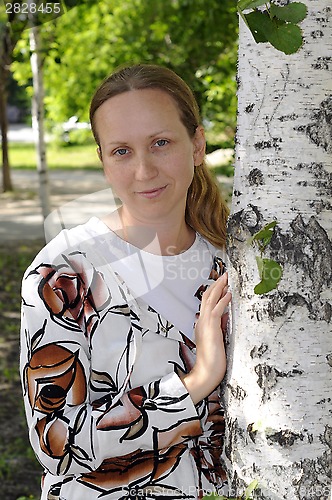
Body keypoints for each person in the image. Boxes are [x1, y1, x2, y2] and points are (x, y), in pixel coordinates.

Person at [20, 64, 232, 500]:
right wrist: (196, 382)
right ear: (102, 160)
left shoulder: (232, 260)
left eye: (160, 143)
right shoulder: (64, 274)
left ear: (197, 145)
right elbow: (54, 442)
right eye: (121, 151)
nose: (143, 170)